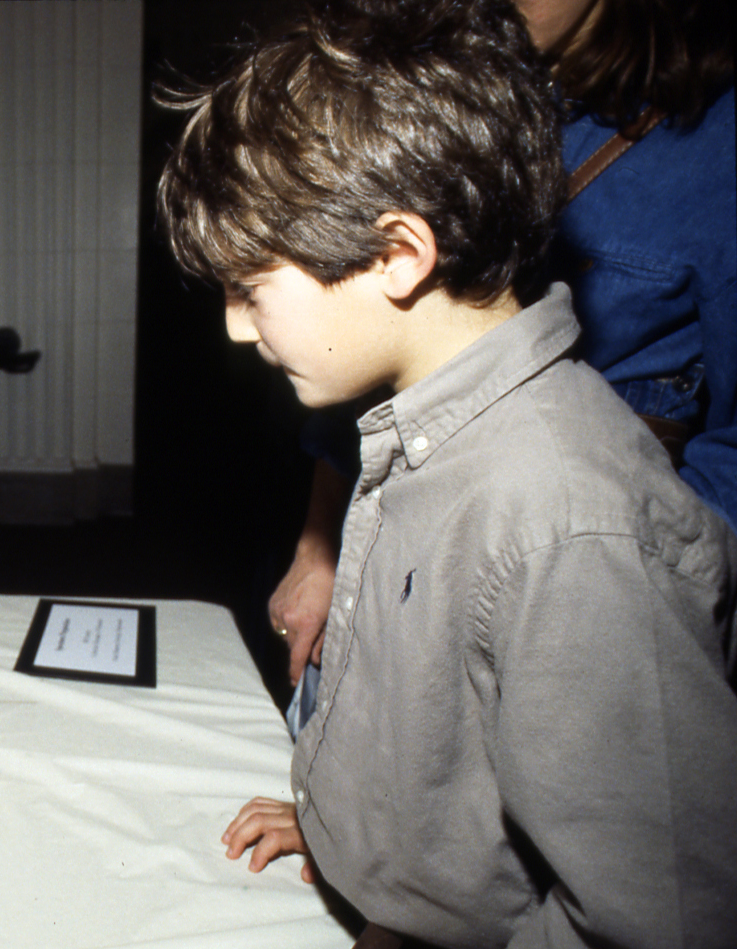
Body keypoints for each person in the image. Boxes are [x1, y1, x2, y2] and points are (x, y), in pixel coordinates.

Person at [159, 0, 737, 949]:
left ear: (398, 255)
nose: (236, 327)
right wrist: (353, 832)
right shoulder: (432, 429)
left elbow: (668, 945)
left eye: (251, 287)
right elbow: (450, 747)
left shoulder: (572, 527)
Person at [270, 0, 736, 691]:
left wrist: (639, 608)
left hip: (575, 601)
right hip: (392, 559)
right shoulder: (421, 85)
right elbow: (368, 357)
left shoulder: (712, 143)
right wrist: (320, 545)